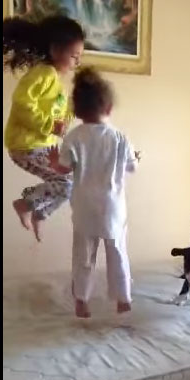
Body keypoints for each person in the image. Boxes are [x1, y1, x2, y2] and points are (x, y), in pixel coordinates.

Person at [47, 67, 138, 318]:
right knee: (117, 252)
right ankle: (123, 300)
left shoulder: (74, 137)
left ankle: (82, 301)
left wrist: (54, 162)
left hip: (84, 207)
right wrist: (135, 158)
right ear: (109, 107)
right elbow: (132, 167)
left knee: (83, 256)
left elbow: (64, 169)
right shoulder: (120, 138)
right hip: (113, 208)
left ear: (77, 111)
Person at [3, 15, 85, 241]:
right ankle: (26, 205)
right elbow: (22, 103)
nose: (77, 62)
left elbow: (58, 114)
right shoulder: (44, 74)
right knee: (67, 182)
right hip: (26, 145)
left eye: (80, 57)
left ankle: (39, 213)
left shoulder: (54, 80)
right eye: (74, 56)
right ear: (56, 50)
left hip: (41, 145)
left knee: (70, 182)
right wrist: (49, 125)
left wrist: (72, 111)